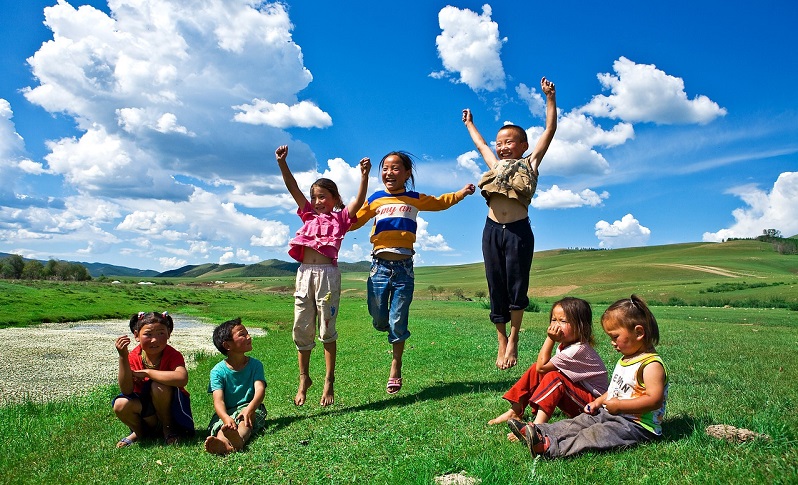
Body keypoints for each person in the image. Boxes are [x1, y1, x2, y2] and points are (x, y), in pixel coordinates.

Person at [350, 151, 475, 394]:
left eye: (396, 168)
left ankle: (395, 366)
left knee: (398, 319)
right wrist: (336, 215)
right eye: (385, 168)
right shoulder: (375, 199)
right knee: (378, 316)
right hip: (379, 267)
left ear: (407, 173)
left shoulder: (414, 198)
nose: (389, 173)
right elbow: (354, 222)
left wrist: (461, 193)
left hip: (404, 268)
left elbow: (440, 202)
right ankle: (387, 327)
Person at [462, 77, 557, 370]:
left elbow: (550, 130)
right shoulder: (494, 165)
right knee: (495, 285)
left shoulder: (530, 163)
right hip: (491, 231)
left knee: (517, 286)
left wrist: (549, 98)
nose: (502, 147)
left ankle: (514, 337)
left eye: (509, 142)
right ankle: (501, 339)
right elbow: (479, 145)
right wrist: (469, 124)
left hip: (518, 231)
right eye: (499, 143)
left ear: (523, 145)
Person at [508, 295, 668, 458]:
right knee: (578, 422)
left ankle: (551, 448)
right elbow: (615, 390)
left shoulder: (651, 365)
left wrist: (620, 406)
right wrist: (598, 401)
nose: (612, 342)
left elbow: (655, 400)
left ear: (639, 333)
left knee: (594, 434)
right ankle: (537, 431)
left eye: (615, 337)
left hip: (636, 425)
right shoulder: (627, 359)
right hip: (611, 413)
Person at [276, 144, 371, 406]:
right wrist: (282, 163)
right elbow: (293, 188)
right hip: (304, 274)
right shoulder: (306, 215)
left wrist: (364, 175)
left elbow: (358, 201)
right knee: (300, 328)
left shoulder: (340, 218)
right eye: (315, 197)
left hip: (327, 275)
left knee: (327, 328)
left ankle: (329, 381)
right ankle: (303, 378)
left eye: (323, 197)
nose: (318, 201)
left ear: (334, 198)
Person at [489, 297, 608, 441]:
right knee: (539, 371)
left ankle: (536, 429)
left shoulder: (577, 350)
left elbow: (542, 366)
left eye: (563, 321)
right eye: (553, 320)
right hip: (582, 398)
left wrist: (550, 339)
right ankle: (515, 410)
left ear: (581, 326)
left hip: (595, 407)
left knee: (554, 377)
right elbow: (539, 369)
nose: (556, 326)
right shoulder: (568, 345)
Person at [113, 311, 194, 447]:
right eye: (148, 334)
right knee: (120, 404)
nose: (154, 340)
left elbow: (182, 378)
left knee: (159, 386)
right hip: (145, 409)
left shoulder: (172, 355)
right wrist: (123, 357)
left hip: (170, 407)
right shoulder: (133, 356)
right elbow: (126, 390)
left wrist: (148, 373)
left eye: (161, 333)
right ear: (136, 335)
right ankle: (140, 432)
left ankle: (168, 428)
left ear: (169, 333)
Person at [204, 318, 267, 455]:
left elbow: (260, 390)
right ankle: (224, 444)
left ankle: (237, 442)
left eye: (247, 333)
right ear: (227, 345)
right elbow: (218, 400)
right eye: (242, 334)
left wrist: (249, 409)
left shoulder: (255, 365)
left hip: (250, 407)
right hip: (226, 412)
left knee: (245, 422)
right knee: (224, 427)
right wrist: (226, 418)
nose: (249, 337)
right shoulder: (217, 371)